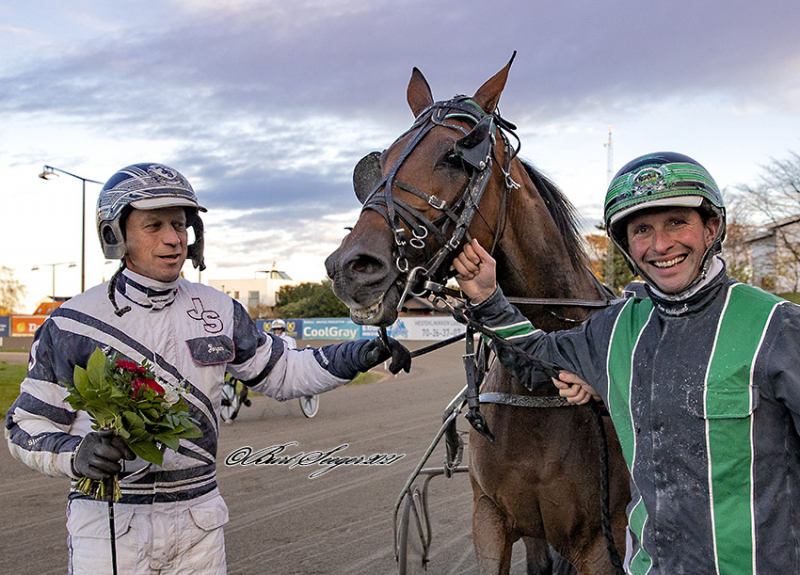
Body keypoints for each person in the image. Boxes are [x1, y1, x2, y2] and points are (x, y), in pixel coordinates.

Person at [5, 163, 411, 575]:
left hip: (198, 524)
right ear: (115, 234)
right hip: (109, 526)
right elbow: (25, 427)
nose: (172, 239)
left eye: (180, 225)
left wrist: (360, 355)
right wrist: (76, 455)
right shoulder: (73, 322)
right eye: (154, 226)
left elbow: (285, 372)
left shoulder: (219, 309)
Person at [453, 152, 800, 574]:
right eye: (642, 230)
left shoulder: (777, 327)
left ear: (711, 228)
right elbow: (537, 363)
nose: (660, 245)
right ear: (626, 244)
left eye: (676, 222)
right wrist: (489, 299)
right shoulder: (615, 328)